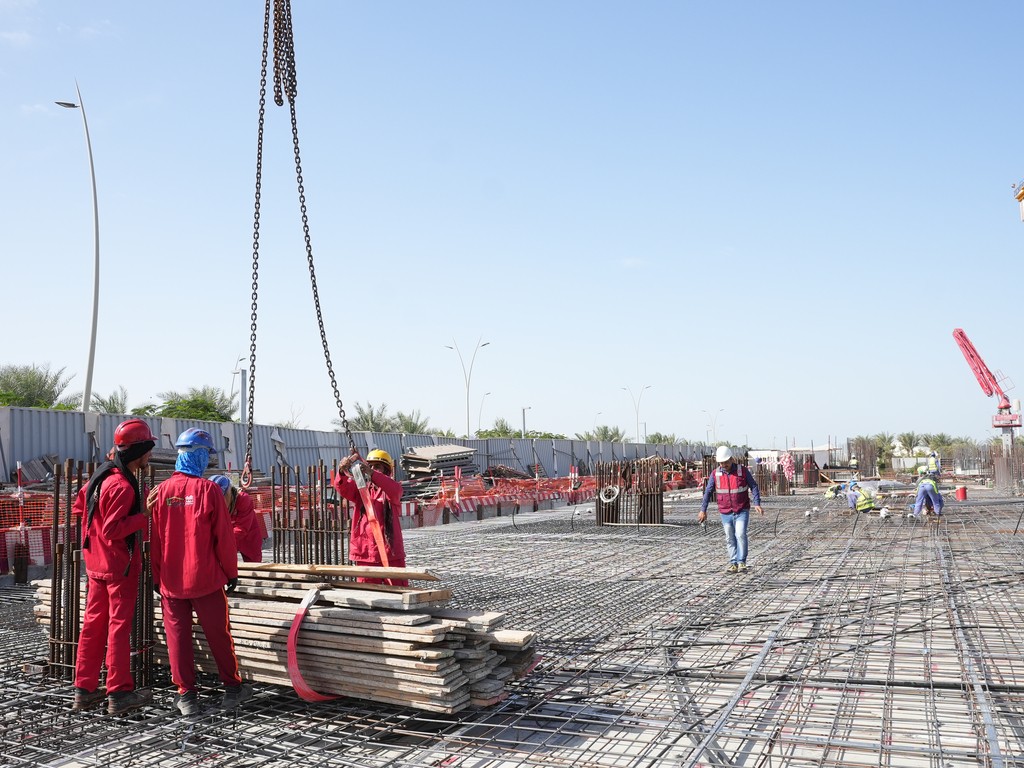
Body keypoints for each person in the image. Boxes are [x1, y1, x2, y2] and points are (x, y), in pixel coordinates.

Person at [150, 428, 251, 716]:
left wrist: (157, 576)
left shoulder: (162, 491)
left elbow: (155, 539)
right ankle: (232, 689)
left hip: (171, 581)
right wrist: (231, 572)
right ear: (200, 456)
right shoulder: (208, 490)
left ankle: (187, 696)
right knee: (219, 635)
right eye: (206, 455)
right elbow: (224, 538)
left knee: (177, 638)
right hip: (206, 579)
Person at [71, 419, 157, 716]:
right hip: (119, 567)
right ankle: (119, 693)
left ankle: (84, 690)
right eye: (148, 449)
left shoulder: (101, 476)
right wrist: (144, 514)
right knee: (118, 628)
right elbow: (112, 529)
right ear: (138, 451)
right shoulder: (122, 486)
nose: (150, 455)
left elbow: (80, 508)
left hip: (96, 563)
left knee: (93, 626)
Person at [332, 448, 407, 585]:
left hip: (391, 554)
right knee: (367, 593)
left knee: (398, 593)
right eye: (370, 466)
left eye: (377, 466)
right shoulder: (361, 490)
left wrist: (372, 473)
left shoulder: (392, 490)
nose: (371, 469)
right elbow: (342, 487)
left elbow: (395, 490)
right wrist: (342, 472)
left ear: (386, 470)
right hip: (366, 554)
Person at [698, 446, 764, 573]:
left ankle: (741, 562)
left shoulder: (742, 471)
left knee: (740, 534)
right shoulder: (715, 474)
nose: (724, 465)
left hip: (741, 509)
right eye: (721, 463)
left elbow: (754, 486)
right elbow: (708, 492)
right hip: (725, 511)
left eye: (726, 462)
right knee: (729, 537)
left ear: (731, 459)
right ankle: (733, 562)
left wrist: (757, 503)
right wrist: (703, 510)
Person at [209, 474, 263, 563]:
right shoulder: (211, 501)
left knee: (254, 565)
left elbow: (242, 528)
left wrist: (224, 542)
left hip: (249, 538)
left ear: (228, 494)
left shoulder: (243, 499)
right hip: (227, 537)